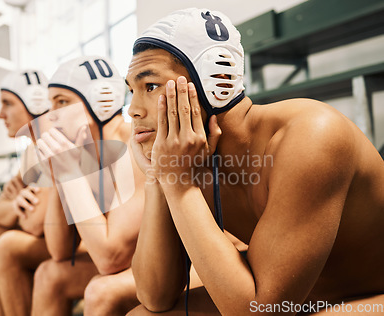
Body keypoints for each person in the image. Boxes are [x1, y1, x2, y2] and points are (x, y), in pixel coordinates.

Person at [126, 8, 384, 315]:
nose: (132, 110)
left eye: (150, 86)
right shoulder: (188, 157)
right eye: (131, 90)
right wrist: (159, 178)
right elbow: (155, 296)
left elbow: (258, 312)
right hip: (306, 294)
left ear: (216, 81)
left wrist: (180, 186)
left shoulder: (311, 134)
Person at [31, 56, 145, 316]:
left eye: (62, 102)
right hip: (137, 263)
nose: (52, 116)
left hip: (187, 264)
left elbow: (110, 259)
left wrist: (70, 173)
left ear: (101, 102)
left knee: (101, 291)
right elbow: (60, 251)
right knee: (50, 274)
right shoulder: (85, 151)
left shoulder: (135, 146)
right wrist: (59, 175)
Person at [0, 70, 52, 316]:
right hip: (50, 239)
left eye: (7, 103)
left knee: (6, 245)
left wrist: (14, 206)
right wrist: (16, 203)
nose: (0, 114)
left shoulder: (55, 142)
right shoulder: (32, 151)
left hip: (75, 245)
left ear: (36, 102)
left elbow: (35, 224)